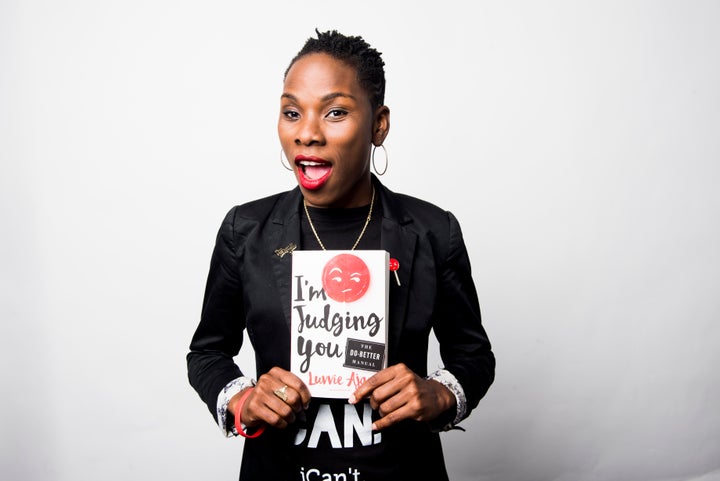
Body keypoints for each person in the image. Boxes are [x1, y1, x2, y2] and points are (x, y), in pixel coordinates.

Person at [187, 30, 495, 481]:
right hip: (279, 471)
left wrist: (440, 395)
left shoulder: (432, 231)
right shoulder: (245, 231)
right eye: (292, 112)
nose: (307, 133)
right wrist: (242, 400)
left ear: (378, 124)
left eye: (335, 112)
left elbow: (473, 355)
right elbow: (207, 352)